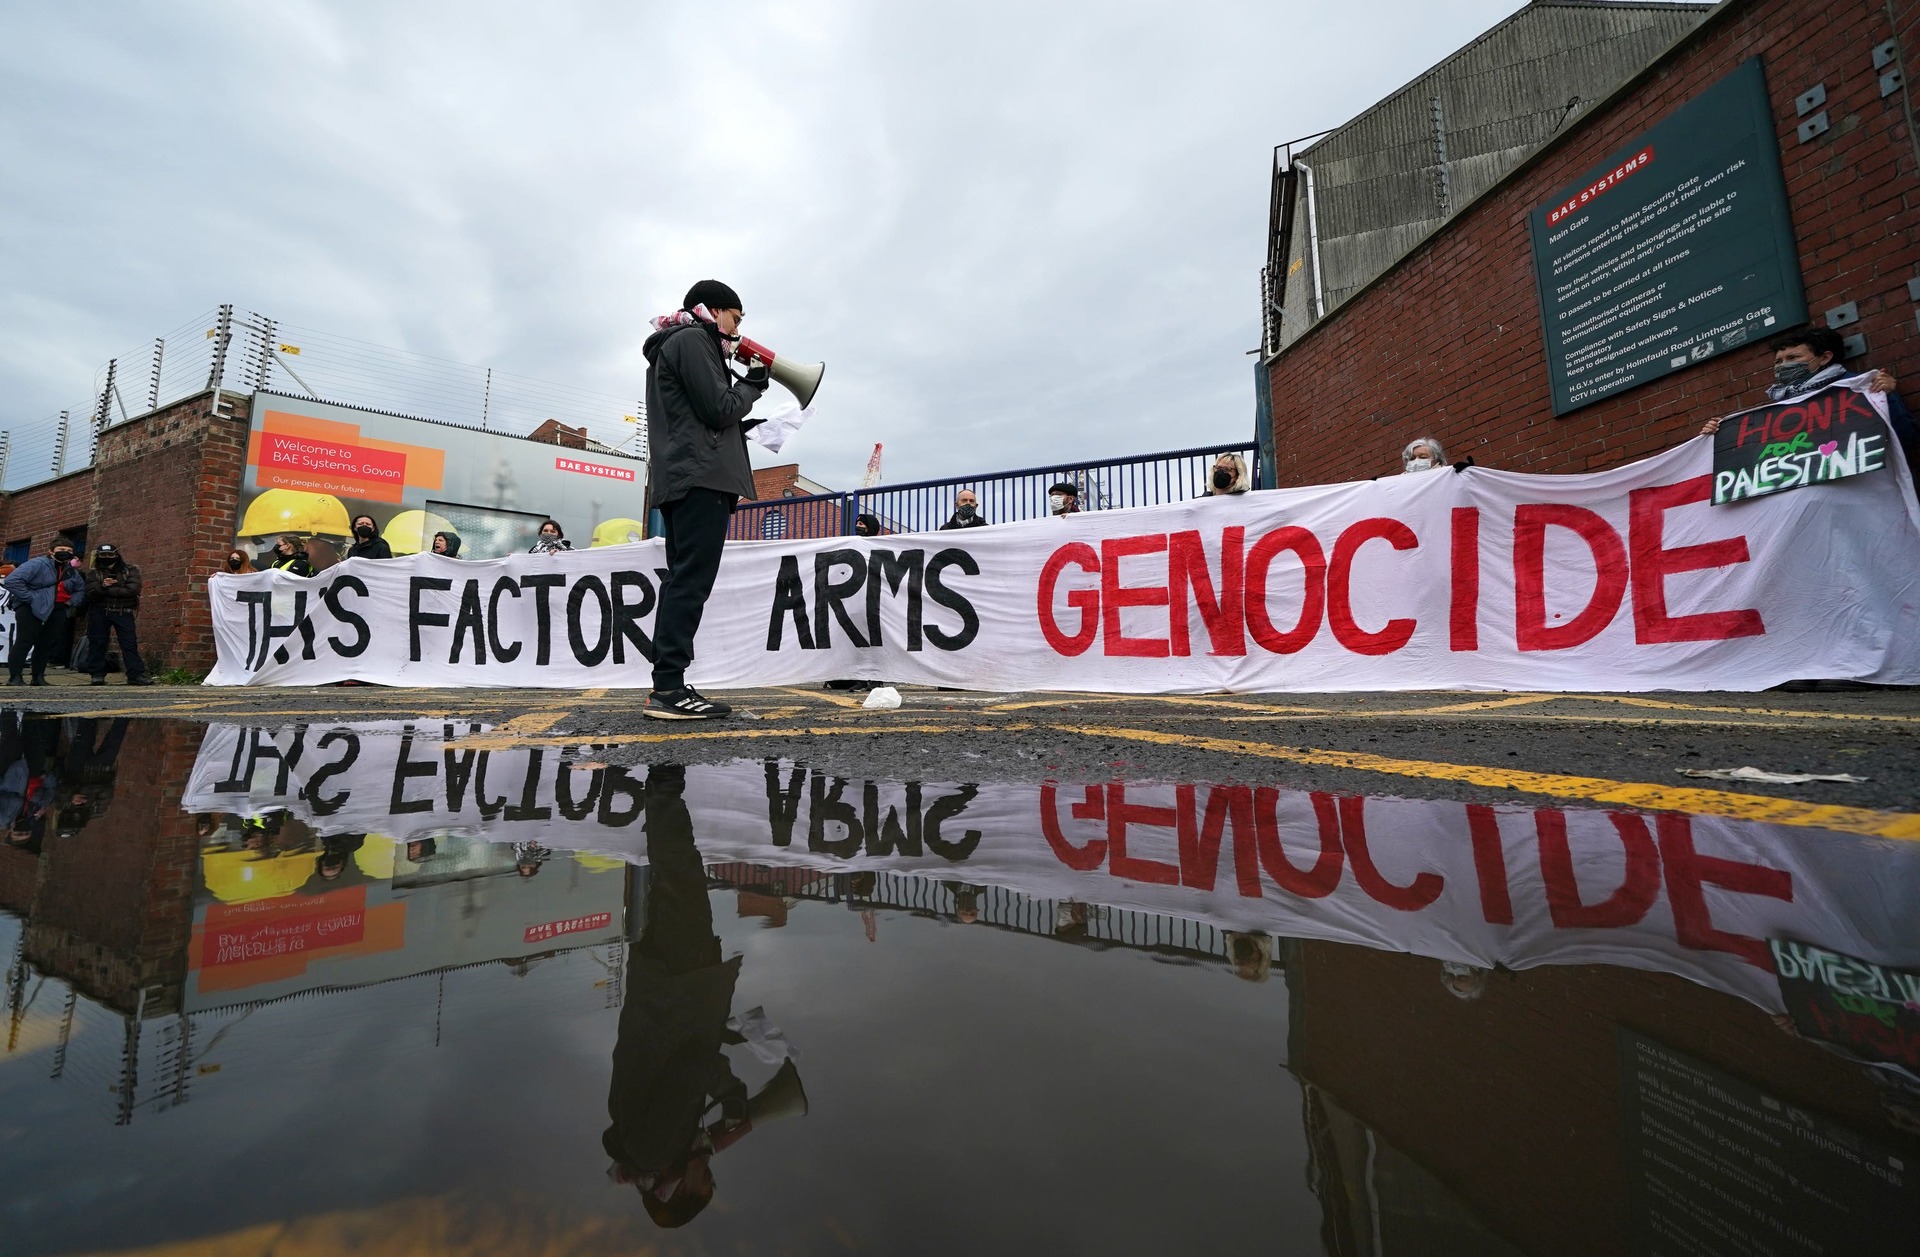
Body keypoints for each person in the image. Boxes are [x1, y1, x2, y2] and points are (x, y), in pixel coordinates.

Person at [604, 763, 806, 1228]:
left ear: (681, 1190)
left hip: (677, 983)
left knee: (682, 874)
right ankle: (660, 791)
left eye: (705, 1182)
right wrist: (728, 1033)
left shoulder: (654, 1147)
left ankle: (664, 788)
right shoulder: (642, 1145)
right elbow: (671, 1065)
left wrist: (734, 1099)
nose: (708, 1172)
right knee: (675, 879)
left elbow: (691, 1068)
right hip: (663, 989)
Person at [642, 280, 771, 720]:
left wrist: (742, 425)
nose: (738, 328)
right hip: (701, 479)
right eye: (736, 317)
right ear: (716, 311)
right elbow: (719, 408)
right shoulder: (695, 340)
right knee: (690, 582)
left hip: (686, 473)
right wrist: (753, 387)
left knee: (682, 579)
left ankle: (668, 683)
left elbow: (699, 417)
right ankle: (669, 689)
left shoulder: (676, 343)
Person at [1699, 326, 1906, 442]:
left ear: (1824, 358)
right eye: (1778, 361)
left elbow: (1905, 437)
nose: (1782, 366)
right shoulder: (1776, 408)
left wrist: (1886, 396)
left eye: (1793, 357)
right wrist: (1719, 435)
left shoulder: (1859, 389)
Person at [3, 538, 85, 687]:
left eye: (69, 551)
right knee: (24, 641)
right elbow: (12, 580)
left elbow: (80, 588)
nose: (65, 553)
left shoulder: (70, 571)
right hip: (30, 608)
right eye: (61, 550)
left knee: (46, 644)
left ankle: (38, 677)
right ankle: (15, 677)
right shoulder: (37, 564)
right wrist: (31, 598)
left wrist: (71, 602)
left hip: (58, 609)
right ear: (51, 551)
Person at [82, 544, 149, 687]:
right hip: (100, 611)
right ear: (99, 556)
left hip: (123, 611)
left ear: (116, 554)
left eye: (110, 555)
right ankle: (97, 675)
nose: (107, 558)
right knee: (97, 643)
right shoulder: (94, 573)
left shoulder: (131, 570)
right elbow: (90, 593)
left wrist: (105, 590)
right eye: (103, 555)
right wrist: (103, 586)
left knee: (129, 644)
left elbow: (132, 590)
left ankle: (136, 675)